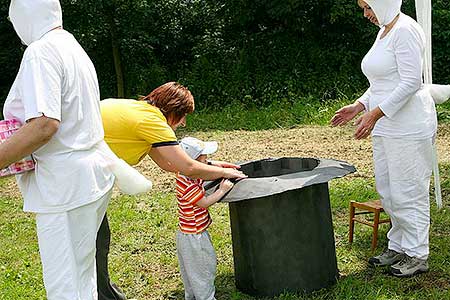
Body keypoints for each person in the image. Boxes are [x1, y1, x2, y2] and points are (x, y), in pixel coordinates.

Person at [2, 0, 115, 299]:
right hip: (88, 175)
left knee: (64, 284)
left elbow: (44, 125)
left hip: (64, 184)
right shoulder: (72, 47)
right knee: (81, 274)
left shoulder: (40, 51)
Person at [98, 82, 246, 299]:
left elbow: (169, 164)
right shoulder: (152, 121)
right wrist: (226, 176)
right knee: (93, 242)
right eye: (183, 115)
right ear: (173, 110)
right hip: (75, 175)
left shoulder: (139, 111)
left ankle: (102, 292)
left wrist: (217, 166)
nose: (184, 122)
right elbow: (187, 167)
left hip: (78, 167)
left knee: (98, 239)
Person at [331, 0, 437, 277]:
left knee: (408, 191)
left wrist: (376, 113)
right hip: (387, 126)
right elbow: (381, 83)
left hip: (409, 126)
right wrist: (360, 105)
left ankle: (416, 253)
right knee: (389, 189)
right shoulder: (384, 31)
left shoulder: (405, 30)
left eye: (368, 7)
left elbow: (411, 81)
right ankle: (399, 244)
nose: (366, 14)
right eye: (364, 9)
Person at [175, 137, 234, 300]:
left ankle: (192, 296)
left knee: (191, 270)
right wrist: (222, 190)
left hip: (189, 234)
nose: (207, 159)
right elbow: (203, 203)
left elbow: (210, 166)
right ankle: (206, 297)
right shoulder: (187, 183)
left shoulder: (188, 172)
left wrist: (228, 167)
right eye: (204, 156)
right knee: (203, 268)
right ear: (193, 160)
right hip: (194, 237)